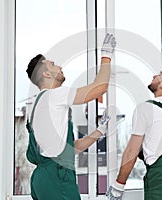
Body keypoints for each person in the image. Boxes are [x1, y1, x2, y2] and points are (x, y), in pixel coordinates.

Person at [106, 31, 162, 200]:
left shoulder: (146, 109)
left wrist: (119, 185)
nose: (154, 75)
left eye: (159, 74)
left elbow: (131, 152)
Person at [25, 33, 116, 200]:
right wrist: (106, 56)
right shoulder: (55, 95)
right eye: (52, 65)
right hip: (57, 178)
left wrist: (99, 131)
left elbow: (68, 149)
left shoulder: (38, 105)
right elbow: (99, 88)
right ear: (46, 74)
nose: (59, 66)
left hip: (42, 180)